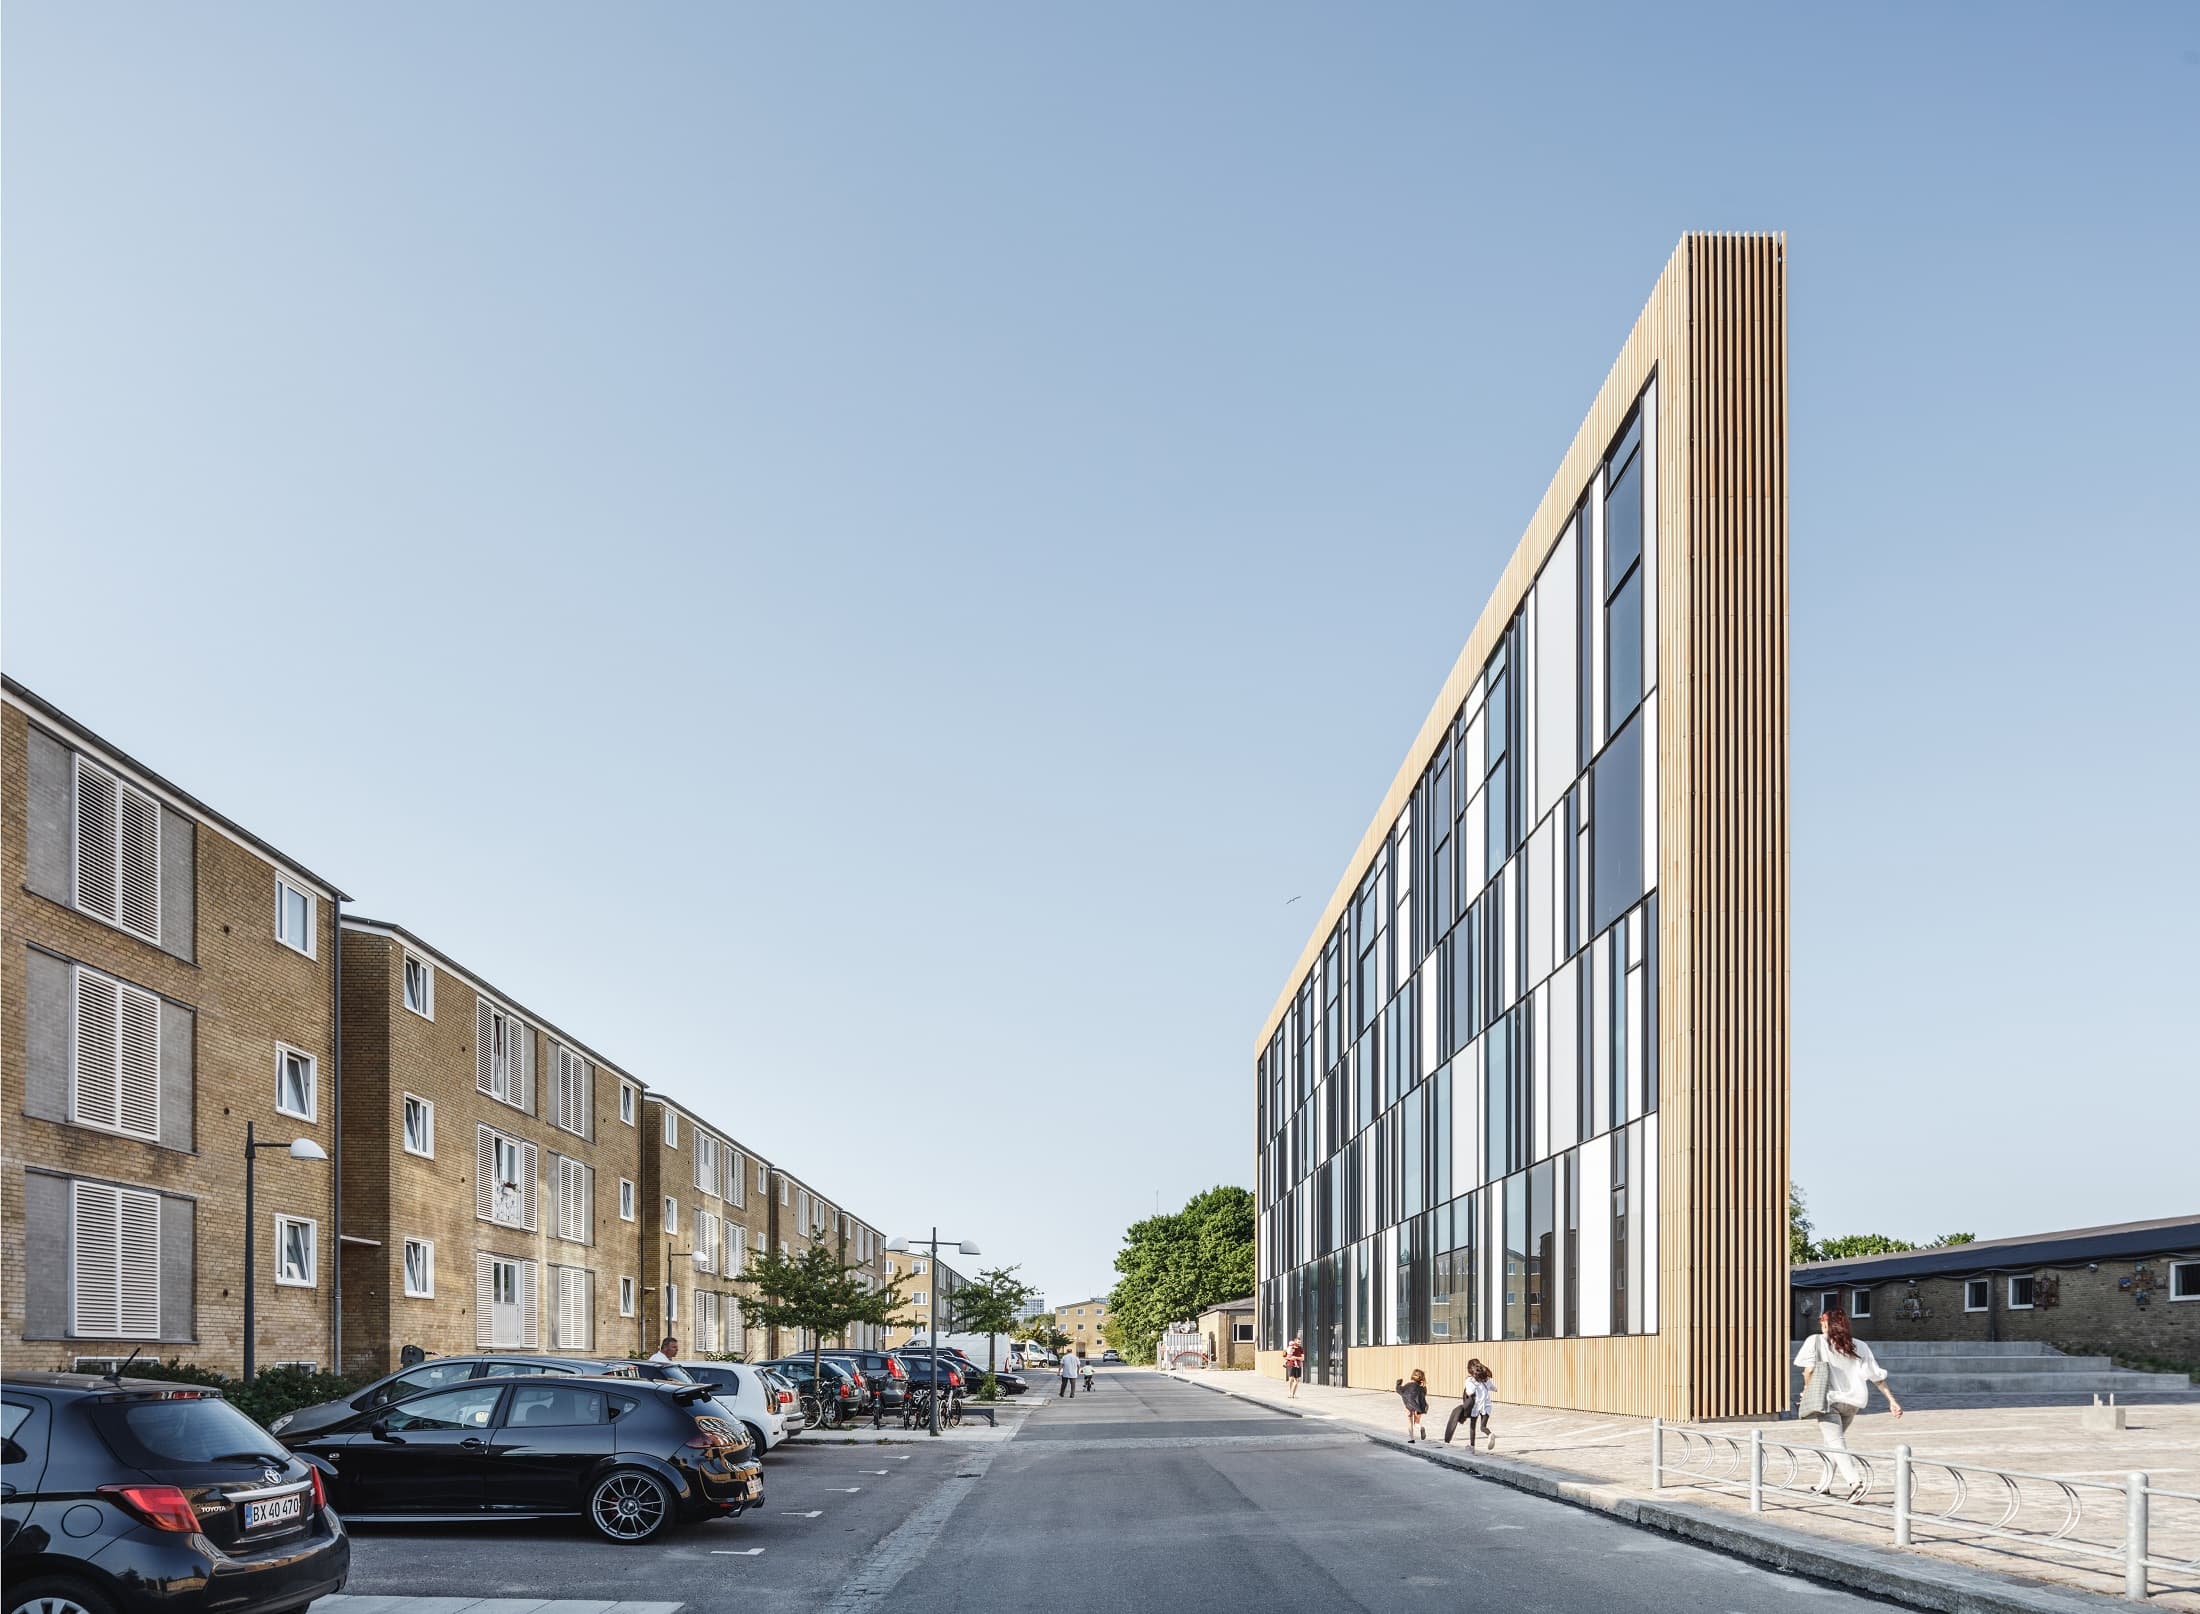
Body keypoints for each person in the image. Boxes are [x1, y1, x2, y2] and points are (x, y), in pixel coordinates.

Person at [1794, 1304, 1901, 1501]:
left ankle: (1855, 1483)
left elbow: (1808, 1370)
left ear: (1829, 1323)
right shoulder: (1859, 1345)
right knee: (1833, 1443)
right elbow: (1876, 1376)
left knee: (1836, 1443)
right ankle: (1824, 1485)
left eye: (1822, 1320)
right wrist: (1892, 1401)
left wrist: (1806, 1391)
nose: (1820, 1323)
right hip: (1853, 1403)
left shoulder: (1815, 1341)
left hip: (1828, 1401)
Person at [1444, 1359, 1495, 1450]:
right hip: (1486, 1406)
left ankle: (1472, 1446)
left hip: (1476, 1406)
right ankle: (1489, 1434)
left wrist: (1467, 1393)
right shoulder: (1485, 1379)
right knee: (1483, 1427)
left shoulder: (1470, 1380)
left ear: (1470, 1369)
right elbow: (1493, 1388)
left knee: (1472, 1426)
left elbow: (1470, 1392)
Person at [1395, 1369, 1430, 1441]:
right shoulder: (1423, 1388)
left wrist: (1398, 1384)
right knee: (1416, 1423)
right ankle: (1421, 1427)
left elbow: (1400, 1390)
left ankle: (1412, 1439)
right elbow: (1423, 1396)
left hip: (1409, 1407)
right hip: (1419, 1408)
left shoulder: (1408, 1386)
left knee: (1410, 1423)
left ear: (1412, 1376)